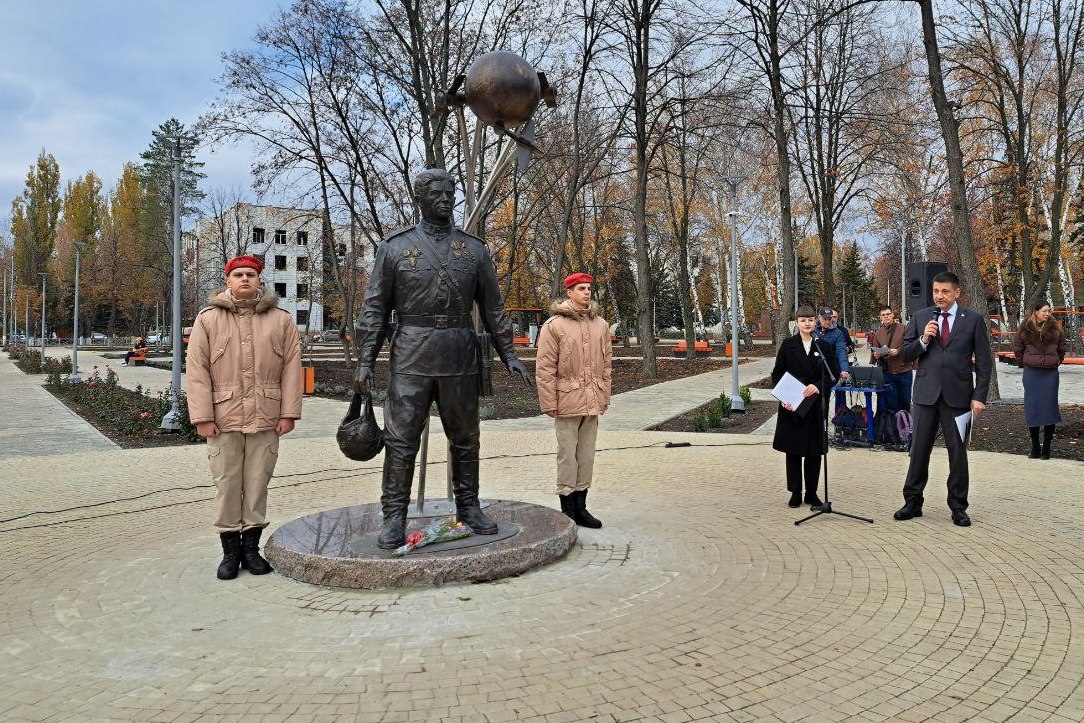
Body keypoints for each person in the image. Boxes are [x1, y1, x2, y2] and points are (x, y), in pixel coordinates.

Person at [353, 169, 532, 550]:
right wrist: (365, 360)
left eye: (450, 193)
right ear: (420, 198)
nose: (446, 200)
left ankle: (469, 507)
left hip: (458, 352)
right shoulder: (395, 248)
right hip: (411, 355)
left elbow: (494, 309)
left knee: (466, 438)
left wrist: (510, 354)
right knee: (401, 441)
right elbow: (374, 309)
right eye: (436, 194)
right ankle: (395, 516)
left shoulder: (474, 250)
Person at [186, 255, 303, 579]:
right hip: (223, 419)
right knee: (227, 484)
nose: (244, 279)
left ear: (259, 280)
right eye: (238, 274)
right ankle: (230, 553)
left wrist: (289, 413)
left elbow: (292, 367)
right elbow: (196, 371)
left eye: (250, 274)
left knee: (256, 484)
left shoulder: (280, 320)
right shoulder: (208, 319)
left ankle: (251, 550)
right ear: (228, 281)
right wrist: (202, 417)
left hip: (266, 416)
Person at [894, 271, 993, 527]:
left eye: (945, 291)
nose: (939, 296)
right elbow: (905, 354)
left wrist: (979, 396)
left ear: (957, 292)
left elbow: (984, 361)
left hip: (958, 398)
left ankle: (958, 507)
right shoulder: (921, 317)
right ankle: (912, 502)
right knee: (918, 451)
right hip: (926, 396)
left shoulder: (972, 319)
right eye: (936, 291)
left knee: (957, 454)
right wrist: (924, 339)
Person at [535, 272, 612, 528]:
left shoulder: (600, 324)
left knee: (586, 455)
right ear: (569, 292)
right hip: (566, 400)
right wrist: (549, 402)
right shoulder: (554, 326)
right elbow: (545, 368)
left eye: (589, 288)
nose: (587, 292)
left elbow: (607, 365)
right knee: (568, 456)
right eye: (581, 288)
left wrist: (604, 395)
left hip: (592, 399)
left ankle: (582, 508)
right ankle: (567, 511)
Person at [771, 306, 830, 509]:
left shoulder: (823, 346)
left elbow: (832, 375)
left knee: (814, 451)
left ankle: (811, 493)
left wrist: (818, 386)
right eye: (803, 320)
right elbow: (777, 374)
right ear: (796, 323)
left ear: (816, 322)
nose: (807, 323)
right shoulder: (788, 345)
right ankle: (795, 492)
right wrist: (783, 397)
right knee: (794, 451)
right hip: (792, 406)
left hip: (813, 406)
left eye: (811, 320)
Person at [1012, 302, 1066, 459]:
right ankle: (1035, 447)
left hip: (1050, 374)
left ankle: (1047, 448)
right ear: (1035, 312)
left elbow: (1062, 348)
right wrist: (1025, 362)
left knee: (1049, 408)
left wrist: (1055, 361)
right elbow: (1018, 348)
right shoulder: (1025, 328)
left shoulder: (1055, 328)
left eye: (1049, 311)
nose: (1047, 313)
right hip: (1032, 373)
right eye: (1044, 311)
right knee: (1033, 407)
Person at [869, 304, 914, 413]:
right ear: (880, 317)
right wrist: (876, 355)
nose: (886, 317)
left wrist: (898, 351)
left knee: (905, 402)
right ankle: (892, 428)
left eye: (888, 314)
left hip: (904, 371)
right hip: (887, 373)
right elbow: (874, 351)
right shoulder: (878, 333)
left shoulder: (903, 328)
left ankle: (905, 427)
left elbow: (911, 345)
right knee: (890, 404)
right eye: (883, 315)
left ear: (892, 315)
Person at [814, 307, 851, 383]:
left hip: (832, 368)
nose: (827, 321)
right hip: (815, 368)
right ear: (819, 318)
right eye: (825, 319)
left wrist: (844, 369)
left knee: (839, 392)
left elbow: (841, 351)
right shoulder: (813, 330)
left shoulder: (838, 333)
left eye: (829, 319)